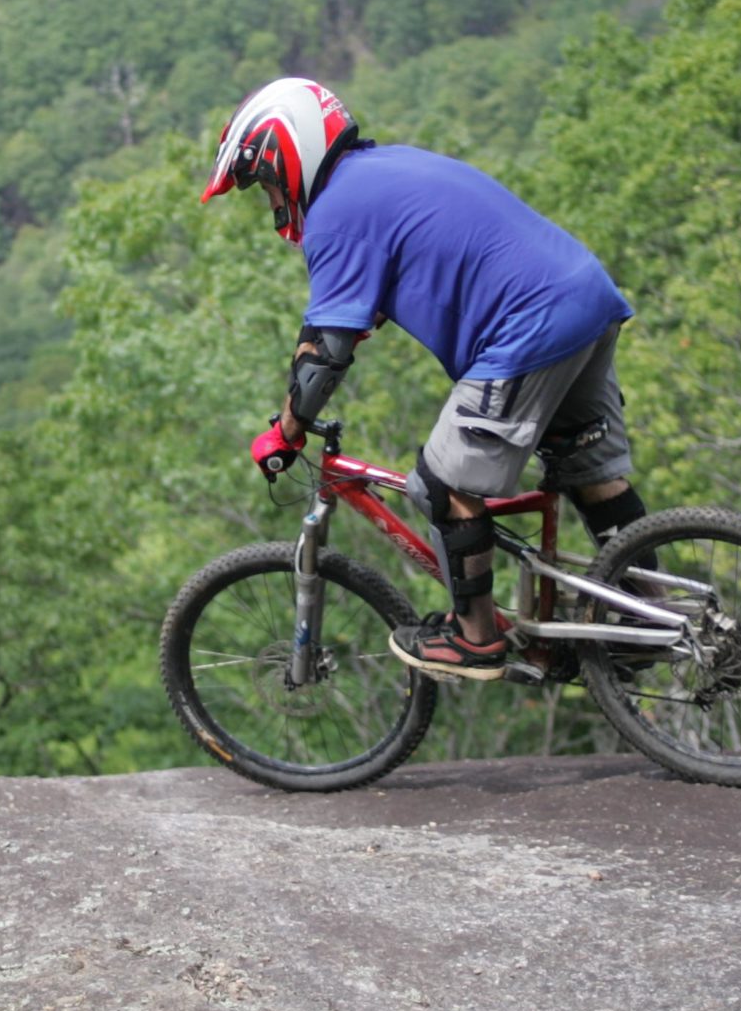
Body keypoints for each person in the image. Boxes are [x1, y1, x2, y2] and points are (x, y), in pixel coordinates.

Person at [199, 76, 649, 679]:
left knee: (443, 483)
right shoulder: (387, 169)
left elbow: (325, 355)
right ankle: (651, 615)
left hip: (529, 329)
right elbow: (385, 293)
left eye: (267, 181)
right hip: (585, 298)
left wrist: (287, 429)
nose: (273, 198)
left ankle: (475, 637)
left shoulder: (337, 212)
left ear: (290, 151)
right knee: (590, 472)